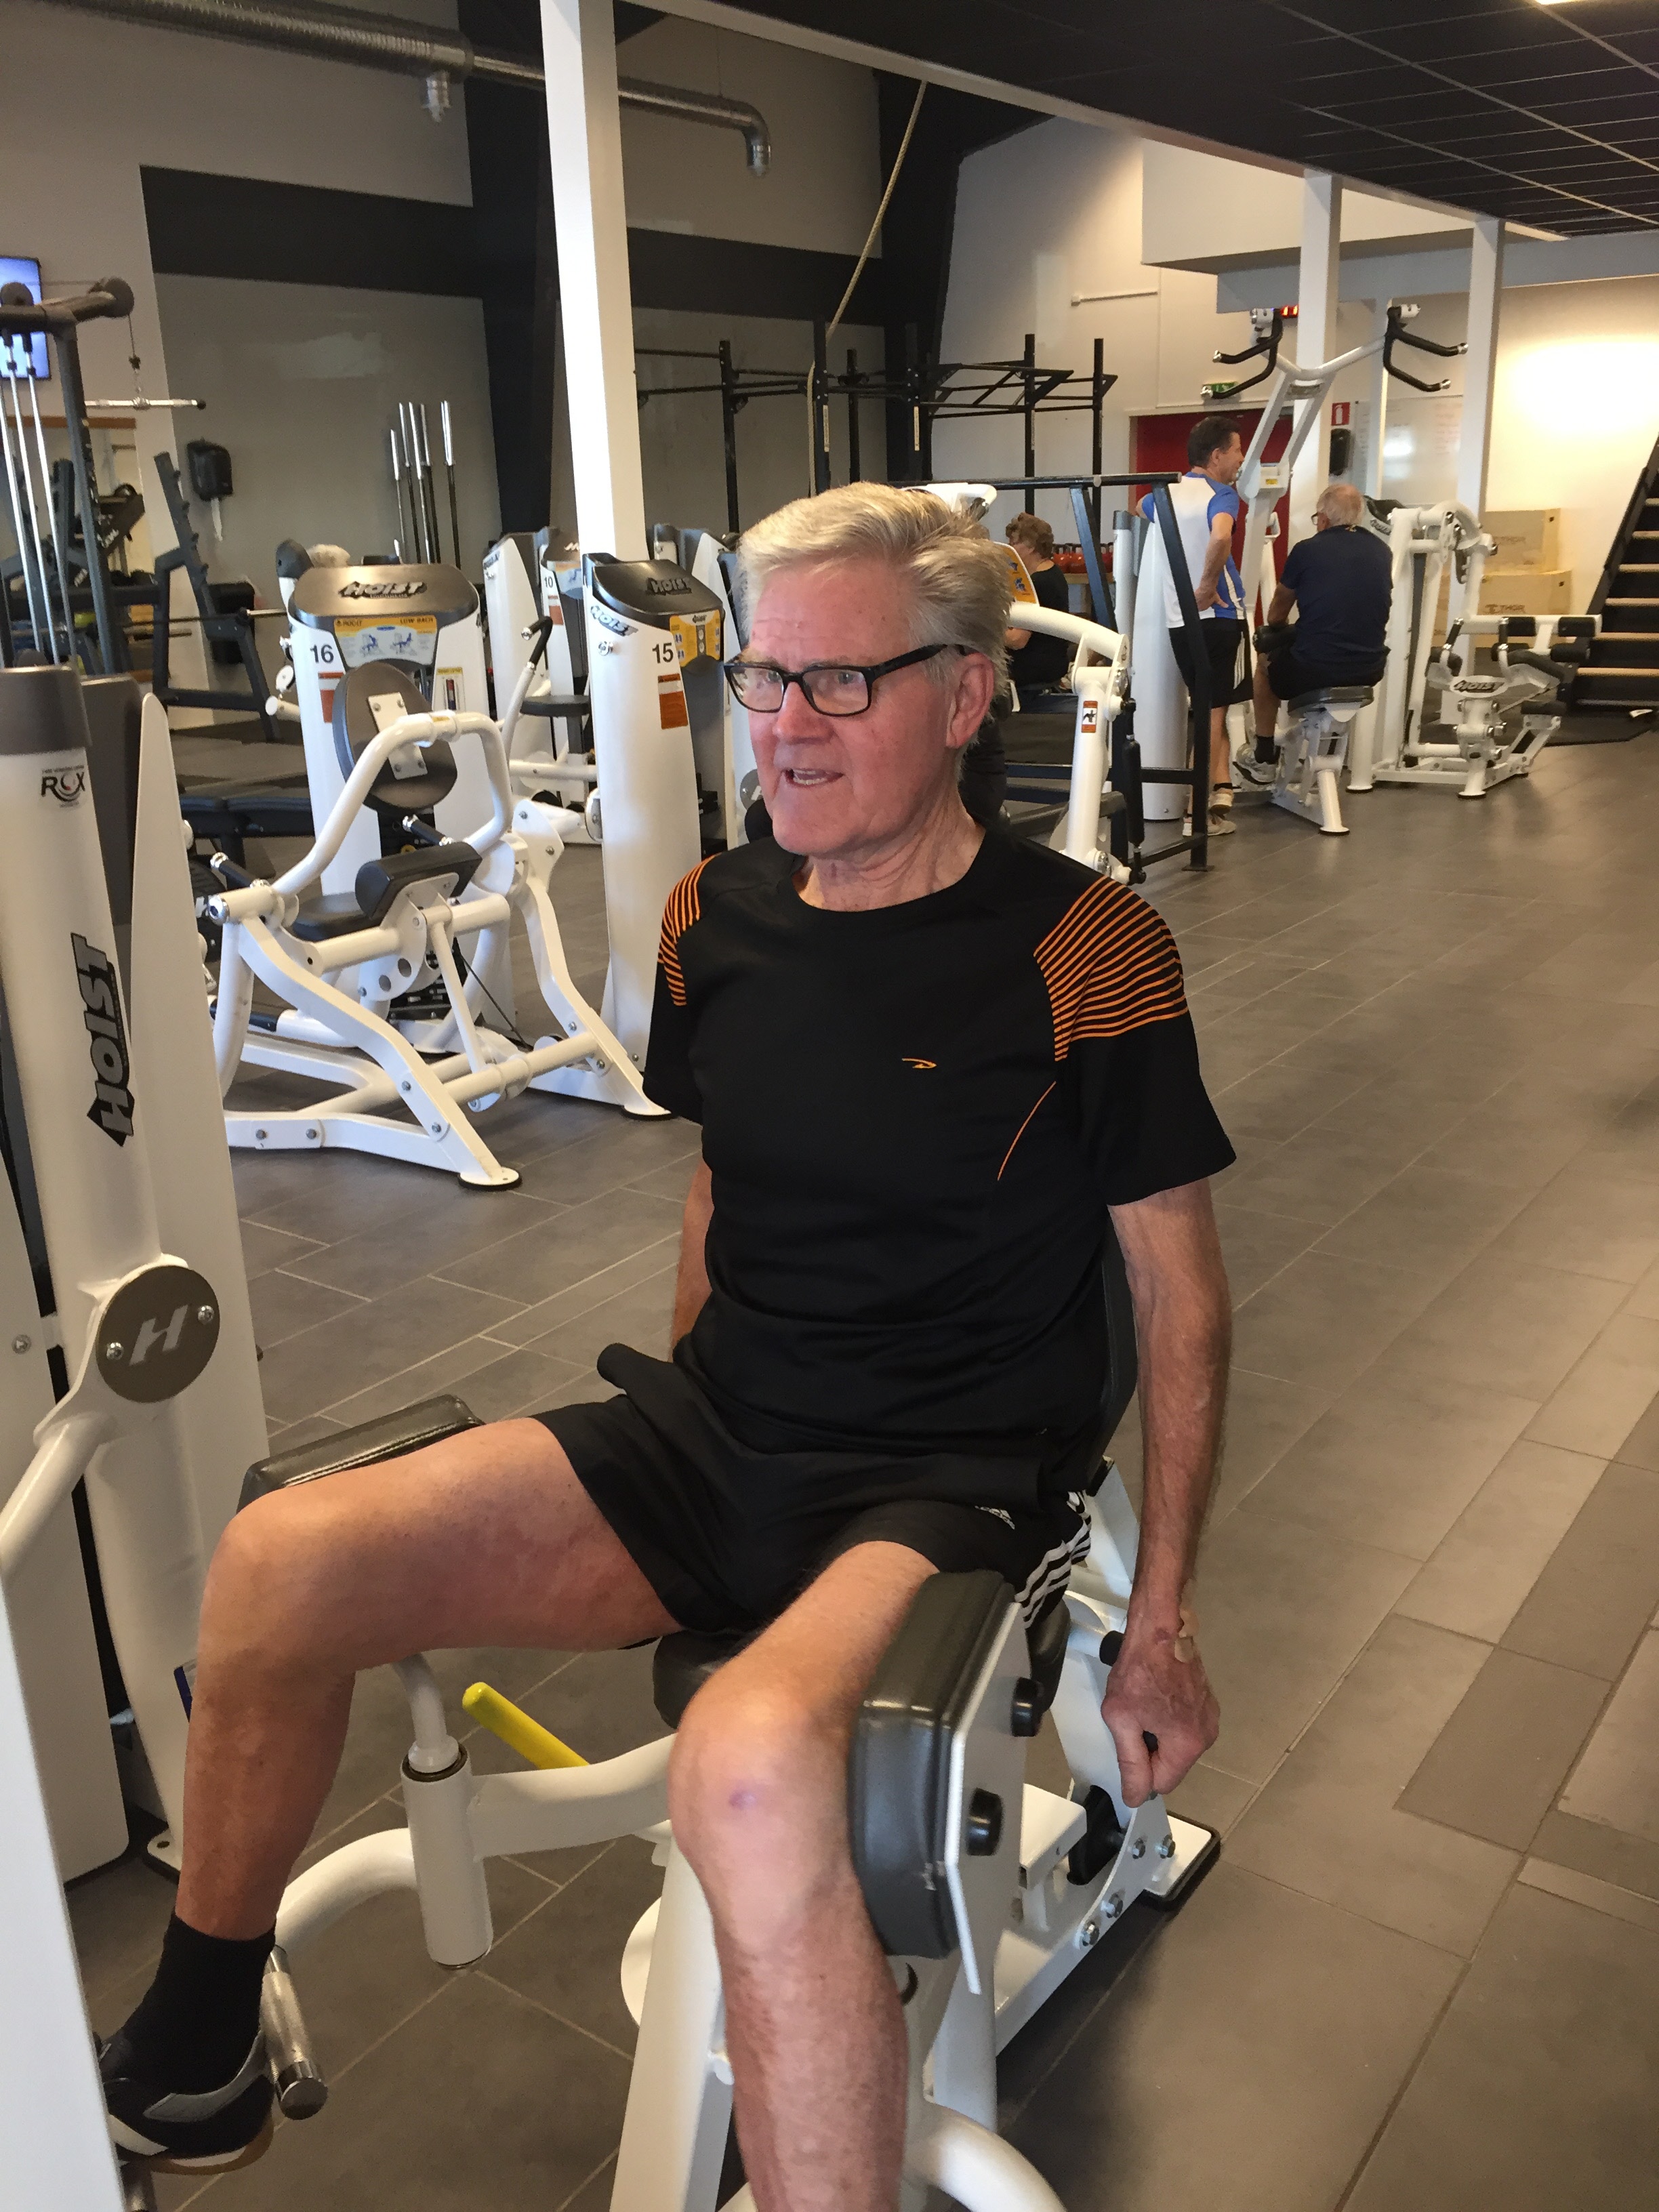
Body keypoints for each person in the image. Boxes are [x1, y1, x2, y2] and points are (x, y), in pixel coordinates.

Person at [100, 485, 1235, 2211]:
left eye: (839, 681)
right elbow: (721, 1188)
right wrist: (697, 1442)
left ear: (964, 692)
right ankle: (202, 2057)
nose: (783, 724)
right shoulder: (716, 912)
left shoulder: (1088, 946)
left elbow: (1179, 1295)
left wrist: (1159, 1630)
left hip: (951, 1479)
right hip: (724, 1428)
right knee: (278, 1562)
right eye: (763, 677)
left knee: (749, 1774)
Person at [1141, 415, 1247, 835]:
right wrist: (1205, 587)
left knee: (1208, 709)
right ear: (1217, 455)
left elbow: (1139, 509)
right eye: (1237, 451)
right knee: (1213, 715)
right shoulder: (1222, 495)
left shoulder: (1162, 495)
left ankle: (1219, 791)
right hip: (1219, 614)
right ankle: (1196, 816)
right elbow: (1221, 536)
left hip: (1179, 621)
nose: (1241, 459)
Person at [1242, 480, 1392, 777]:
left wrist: (1283, 631)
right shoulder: (1382, 550)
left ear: (1322, 518)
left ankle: (1264, 755)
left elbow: (1276, 615)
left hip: (1314, 668)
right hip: (1370, 668)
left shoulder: (1307, 550)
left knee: (1265, 661)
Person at [1004, 510, 1075, 712]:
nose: (1010, 549)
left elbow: (1018, 639)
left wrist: (986, 631)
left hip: (1032, 682)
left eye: (1014, 543)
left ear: (1031, 546)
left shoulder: (1036, 584)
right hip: (1047, 671)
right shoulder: (1053, 572)